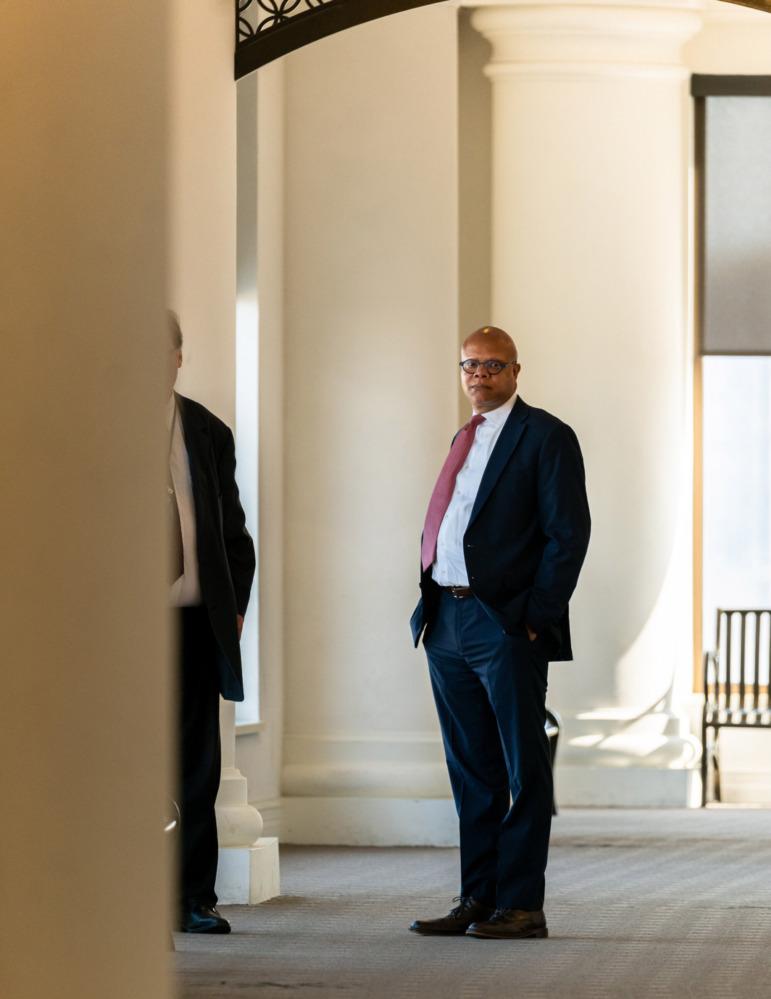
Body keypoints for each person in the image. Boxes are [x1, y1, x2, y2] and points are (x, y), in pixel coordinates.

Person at [409, 326, 590, 940]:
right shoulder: (465, 436)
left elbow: (568, 535)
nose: (478, 374)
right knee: (471, 770)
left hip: (506, 622)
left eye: (491, 364)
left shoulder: (545, 436)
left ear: (516, 370)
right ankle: (477, 898)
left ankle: (521, 903)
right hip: (446, 619)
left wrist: (534, 617)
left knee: (521, 767)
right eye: (469, 365)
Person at [166, 311, 256, 934]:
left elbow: (233, 535)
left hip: (194, 624)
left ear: (177, 355)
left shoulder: (206, 430)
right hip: (118, 633)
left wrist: (238, 608)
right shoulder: (91, 424)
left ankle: (194, 897)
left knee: (196, 764)